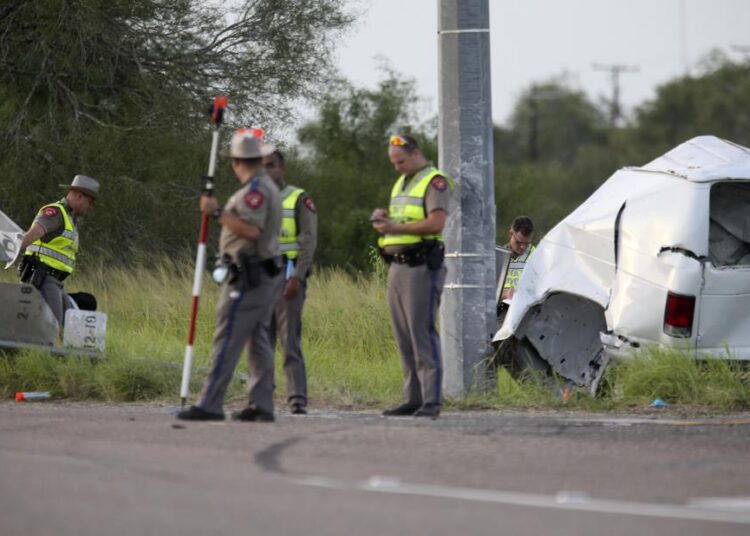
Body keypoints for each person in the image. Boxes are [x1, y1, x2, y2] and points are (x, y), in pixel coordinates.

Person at [177, 129, 283, 422]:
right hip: (260, 275)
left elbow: (251, 230)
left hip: (249, 277)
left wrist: (216, 212)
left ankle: (211, 403)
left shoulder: (255, 191)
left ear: (237, 161)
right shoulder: (262, 186)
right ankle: (262, 404)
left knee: (227, 337)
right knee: (258, 340)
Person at [372, 134, 453, 419]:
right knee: (403, 335)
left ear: (416, 153)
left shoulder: (434, 181)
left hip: (421, 267)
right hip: (398, 265)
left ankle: (431, 400)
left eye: (401, 161)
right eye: (393, 163)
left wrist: (392, 228)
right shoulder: (402, 181)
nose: (397, 167)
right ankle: (412, 398)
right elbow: (404, 220)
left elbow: (436, 222)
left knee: (421, 333)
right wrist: (384, 219)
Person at [262, 150, 318, 415]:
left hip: (288, 276)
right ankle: (261, 396)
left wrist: (298, 277)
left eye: (271, 166)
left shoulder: (297, 198)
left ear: (282, 168)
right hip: (259, 277)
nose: (266, 171)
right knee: (261, 341)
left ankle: (297, 398)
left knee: (289, 340)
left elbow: (308, 240)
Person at [10, 175, 99, 328]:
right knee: (53, 327)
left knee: (70, 324)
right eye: (90, 202)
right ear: (79, 196)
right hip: (42, 279)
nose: (90, 207)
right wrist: (11, 250)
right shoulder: (56, 213)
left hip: (55, 282)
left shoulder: (70, 219)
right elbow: (33, 234)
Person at [497, 216, 535, 324]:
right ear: (510, 234)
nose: (522, 247)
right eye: (519, 242)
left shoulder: (537, 257)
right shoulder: (499, 257)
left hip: (527, 313)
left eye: (527, 243)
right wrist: (505, 293)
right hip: (502, 312)